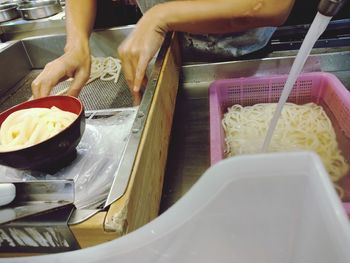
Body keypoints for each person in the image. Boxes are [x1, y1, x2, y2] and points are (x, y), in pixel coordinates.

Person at [31, 0, 295, 100]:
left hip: (242, 58)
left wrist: (161, 15)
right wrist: (76, 44)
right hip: (165, 57)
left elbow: (271, 5)